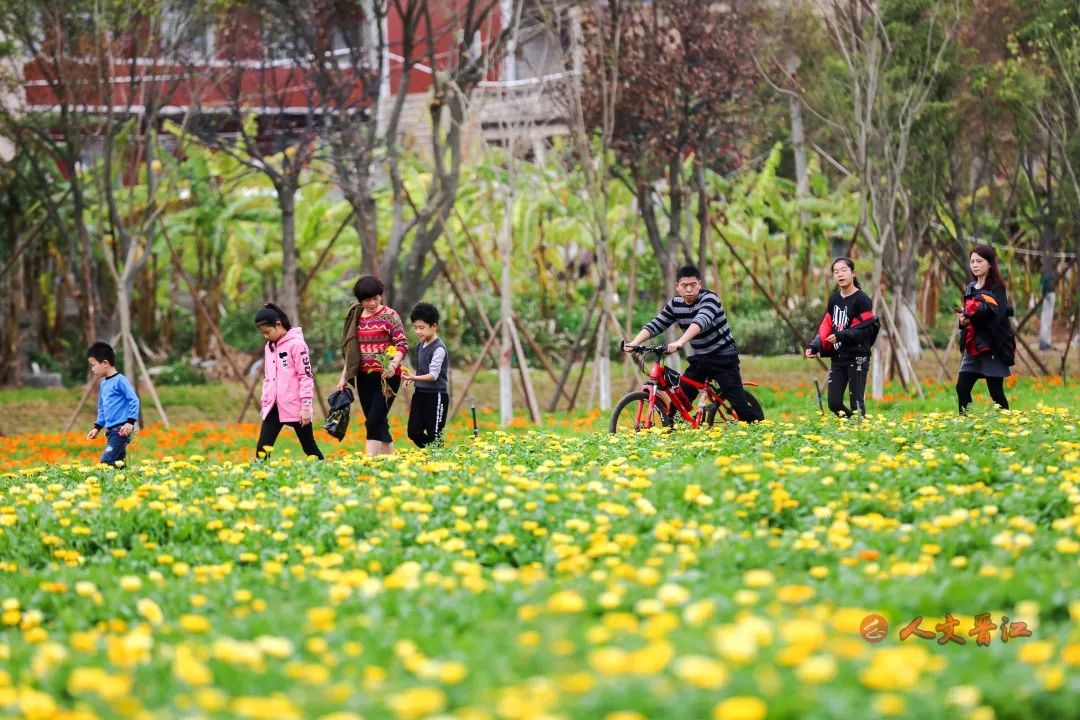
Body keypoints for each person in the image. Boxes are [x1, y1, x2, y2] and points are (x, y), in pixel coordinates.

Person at [624, 265, 763, 422]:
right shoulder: (675, 304)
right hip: (701, 359)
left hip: (723, 358)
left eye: (693, 285)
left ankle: (761, 429)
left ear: (700, 284)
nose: (689, 289)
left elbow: (700, 321)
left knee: (741, 409)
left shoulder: (710, 299)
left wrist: (680, 342)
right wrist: (634, 343)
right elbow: (657, 324)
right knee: (678, 404)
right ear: (677, 287)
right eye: (684, 286)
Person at [337, 276, 408, 455]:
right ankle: (389, 462)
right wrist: (344, 376)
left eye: (376, 298)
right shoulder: (356, 317)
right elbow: (352, 351)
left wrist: (393, 365)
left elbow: (402, 344)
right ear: (360, 300)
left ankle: (370, 463)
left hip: (387, 377)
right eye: (368, 299)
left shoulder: (389, 315)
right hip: (363, 377)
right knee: (378, 421)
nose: (372, 303)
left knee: (373, 421)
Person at [805, 257, 880, 416]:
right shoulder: (834, 299)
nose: (840, 274)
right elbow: (827, 325)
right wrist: (814, 345)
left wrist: (841, 336)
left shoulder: (862, 300)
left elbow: (866, 330)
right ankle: (852, 426)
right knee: (834, 403)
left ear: (853, 273)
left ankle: (860, 434)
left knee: (857, 403)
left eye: (844, 270)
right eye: (836, 271)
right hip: (839, 357)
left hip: (858, 357)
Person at [255, 303, 324, 460]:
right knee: (262, 449)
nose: (266, 336)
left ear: (278, 325)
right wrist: (265, 402)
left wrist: (306, 407)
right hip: (274, 406)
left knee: (309, 448)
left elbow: (305, 376)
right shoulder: (269, 347)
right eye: (263, 333)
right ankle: (259, 480)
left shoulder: (297, 344)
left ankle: (326, 472)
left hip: (296, 407)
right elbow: (268, 378)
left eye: (267, 332)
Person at [956, 245, 1015, 413]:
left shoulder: (997, 288)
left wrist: (977, 314)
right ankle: (964, 425)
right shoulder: (970, 287)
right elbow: (967, 313)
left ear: (989, 264)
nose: (974, 265)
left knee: (996, 393)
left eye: (979, 261)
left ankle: (1007, 423)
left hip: (991, 346)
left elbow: (999, 315)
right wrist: (963, 320)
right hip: (972, 345)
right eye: (972, 261)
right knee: (962, 388)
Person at [402, 302, 450, 448]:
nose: (418, 331)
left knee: (434, 435)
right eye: (415, 327)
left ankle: (438, 459)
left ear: (434, 326)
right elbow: (423, 371)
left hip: (436, 396)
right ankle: (434, 453)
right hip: (419, 395)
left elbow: (433, 375)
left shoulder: (439, 348)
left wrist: (413, 377)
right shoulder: (419, 346)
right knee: (413, 432)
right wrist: (412, 378)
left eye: (421, 328)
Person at [85, 341, 140, 466]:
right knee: (117, 463)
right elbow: (102, 408)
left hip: (121, 430)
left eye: (93, 365)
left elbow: (134, 400)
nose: (92, 369)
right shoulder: (104, 384)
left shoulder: (121, 381)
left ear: (105, 363)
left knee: (106, 461)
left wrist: (130, 422)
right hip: (110, 431)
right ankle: (127, 482)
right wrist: (97, 427)